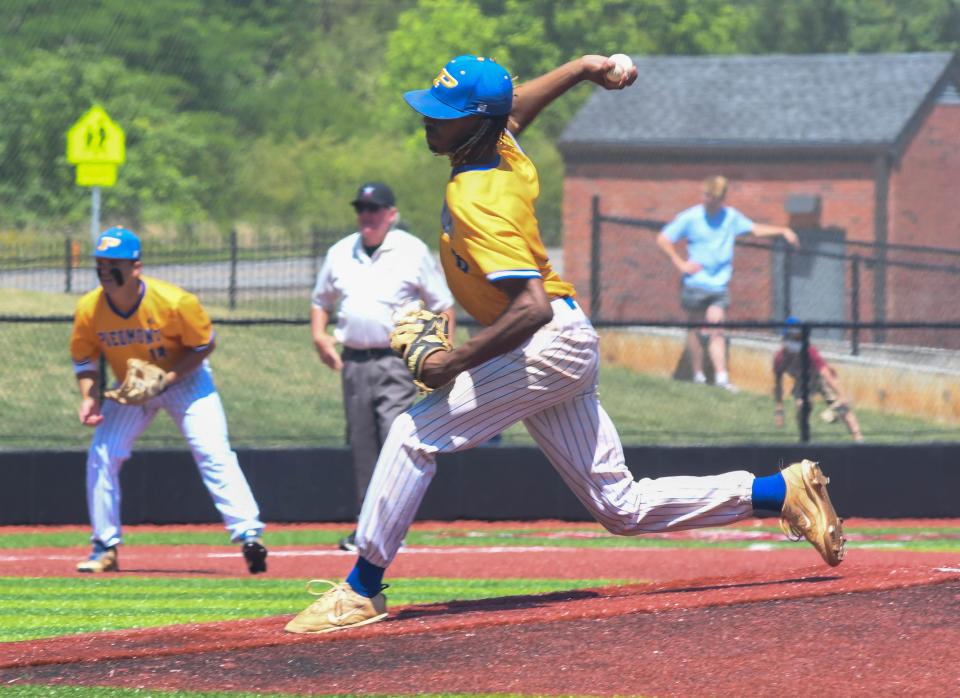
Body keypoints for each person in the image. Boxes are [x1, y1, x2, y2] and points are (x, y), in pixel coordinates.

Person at [285, 54, 845, 634]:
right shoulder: (500, 148)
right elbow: (516, 108)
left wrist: (454, 359)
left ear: (477, 123)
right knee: (619, 507)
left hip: (545, 342)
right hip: (560, 340)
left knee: (412, 434)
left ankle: (361, 588)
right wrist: (581, 68)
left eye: (445, 114)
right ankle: (781, 489)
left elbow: (530, 306)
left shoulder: (480, 199)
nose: (430, 121)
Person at [70, 226, 267, 574]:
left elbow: (204, 345)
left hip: (185, 380)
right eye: (100, 263)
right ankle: (105, 545)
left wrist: (167, 380)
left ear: (135, 267)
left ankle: (249, 534)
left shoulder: (175, 302)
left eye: (113, 263)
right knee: (103, 453)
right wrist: (89, 396)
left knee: (212, 450)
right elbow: (85, 359)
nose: (104, 270)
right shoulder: (90, 308)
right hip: (131, 388)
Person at [311, 182, 455, 552]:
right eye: (362, 208)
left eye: (374, 209)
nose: (367, 216)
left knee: (395, 438)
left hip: (396, 361)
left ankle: (393, 528)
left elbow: (442, 304)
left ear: (391, 214)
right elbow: (320, 300)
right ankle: (367, 527)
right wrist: (320, 336)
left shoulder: (411, 250)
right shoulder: (341, 251)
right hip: (355, 361)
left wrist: (442, 356)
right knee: (362, 442)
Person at [656, 176, 800, 392]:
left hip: (718, 286)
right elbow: (664, 239)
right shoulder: (691, 217)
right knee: (695, 329)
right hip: (695, 284)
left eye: (712, 197)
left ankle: (721, 377)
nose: (707, 200)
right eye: (705, 195)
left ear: (721, 198)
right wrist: (680, 264)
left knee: (717, 329)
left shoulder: (730, 217)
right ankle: (698, 376)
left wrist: (783, 230)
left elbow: (754, 229)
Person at [774, 316, 864, 442]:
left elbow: (826, 373)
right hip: (802, 382)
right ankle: (805, 438)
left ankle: (858, 437)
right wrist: (779, 410)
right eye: (793, 337)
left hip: (820, 378)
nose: (797, 341)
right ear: (785, 338)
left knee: (843, 408)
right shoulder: (780, 358)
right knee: (802, 406)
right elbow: (778, 384)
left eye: (799, 337)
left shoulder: (809, 351)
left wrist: (841, 396)